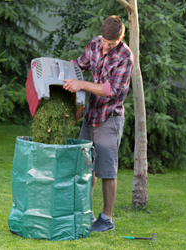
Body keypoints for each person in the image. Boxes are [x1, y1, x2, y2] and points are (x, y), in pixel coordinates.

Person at [63, 15, 134, 232]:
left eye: (110, 44)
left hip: (109, 119)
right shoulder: (95, 43)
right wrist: (61, 75)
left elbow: (111, 89)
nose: (105, 47)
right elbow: (79, 64)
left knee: (106, 170)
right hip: (90, 115)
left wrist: (81, 84)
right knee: (86, 166)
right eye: (104, 41)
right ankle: (85, 212)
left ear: (121, 38)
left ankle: (106, 219)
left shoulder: (125, 57)